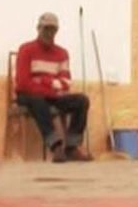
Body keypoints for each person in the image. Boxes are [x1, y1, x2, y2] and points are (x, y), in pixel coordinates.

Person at [16, 13, 92, 163]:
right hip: (28, 95)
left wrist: (42, 81)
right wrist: (51, 85)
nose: (49, 33)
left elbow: (65, 82)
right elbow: (23, 82)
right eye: (46, 29)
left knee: (82, 100)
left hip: (52, 95)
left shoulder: (62, 53)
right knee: (38, 101)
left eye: (53, 30)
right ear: (38, 29)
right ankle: (56, 146)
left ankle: (71, 147)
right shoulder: (26, 49)